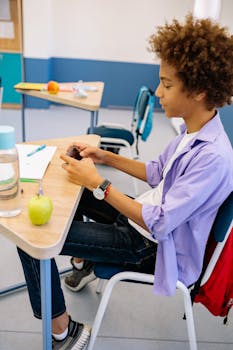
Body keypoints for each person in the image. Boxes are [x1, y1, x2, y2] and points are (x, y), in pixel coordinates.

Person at [17, 14, 233, 350]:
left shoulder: (214, 157)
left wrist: (101, 185)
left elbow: (160, 223)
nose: (159, 91)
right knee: (71, 181)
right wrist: (104, 157)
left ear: (199, 91)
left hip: (149, 247)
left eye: (168, 84)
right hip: (140, 221)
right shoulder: (194, 132)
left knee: (31, 239)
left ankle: (63, 333)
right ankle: (83, 259)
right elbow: (156, 172)